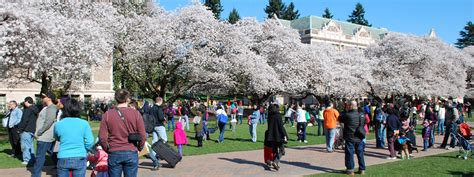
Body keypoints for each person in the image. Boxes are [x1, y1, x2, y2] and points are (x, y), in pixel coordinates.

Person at [99, 89, 146, 177]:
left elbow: (102, 138)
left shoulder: (108, 114)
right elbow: (143, 135)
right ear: (128, 99)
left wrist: (108, 149)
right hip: (131, 151)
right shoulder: (136, 113)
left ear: (116, 99)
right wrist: (139, 147)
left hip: (114, 151)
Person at [54, 99, 94, 177]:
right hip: (80, 156)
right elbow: (90, 141)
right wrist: (85, 149)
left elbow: (57, 137)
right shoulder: (84, 124)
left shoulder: (58, 124)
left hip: (63, 156)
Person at [32, 91, 58, 177]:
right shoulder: (47, 107)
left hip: (44, 137)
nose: (42, 98)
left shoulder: (52, 108)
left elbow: (48, 122)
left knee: (39, 158)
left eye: (44, 97)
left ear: (49, 98)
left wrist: (40, 132)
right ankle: (62, 171)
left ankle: (35, 175)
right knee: (53, 154)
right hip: (46, 137)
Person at [340, 101, 366, 176]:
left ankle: (350, 170)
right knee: (360, 153)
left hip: (350, 136)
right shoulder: (361, 115)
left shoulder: (347, 115)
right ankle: (362, 169)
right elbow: (364, 123)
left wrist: (345, 109)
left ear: (351, 106)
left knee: (349, 153)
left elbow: (340, 118)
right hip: (359, 136)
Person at [265, 103, 288, 171]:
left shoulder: (269, 115)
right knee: (282, 151)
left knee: (275, 151)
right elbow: (281, 127)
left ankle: (274, 162)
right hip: (278, 136)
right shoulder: (278, 115)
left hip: (271, 136)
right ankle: (274, 162)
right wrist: (285, 135)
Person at [148, 96, 167, 170]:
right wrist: (164, 119)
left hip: (153, 126)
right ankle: (161, 154)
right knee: (164, 140)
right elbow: (161, 117)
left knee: (154, 141)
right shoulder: (159, 108)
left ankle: (154, 155)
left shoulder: (151, 108)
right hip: (159, 125)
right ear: (160, 101)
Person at [18, 97, 38, 165]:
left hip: (26, 130)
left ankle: (27, 159)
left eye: (24, 102)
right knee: (30, 145)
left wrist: (20, 129)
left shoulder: (28, 110)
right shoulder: (35, 109)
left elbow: (24, 121)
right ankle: (32, 159)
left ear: (27, 102)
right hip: (32, 129)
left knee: (25, 146)